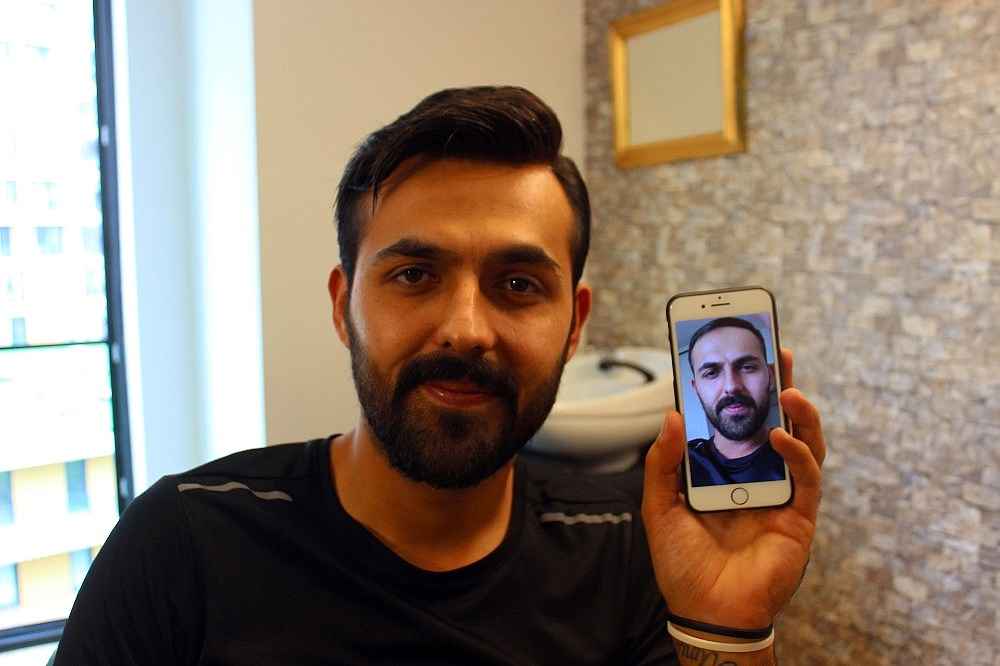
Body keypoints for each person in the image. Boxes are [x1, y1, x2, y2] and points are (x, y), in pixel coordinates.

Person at [54, 86, 826, 665]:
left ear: (574, 326)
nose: (465, 328)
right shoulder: (183, 545)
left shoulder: (628, 549)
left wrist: (727, 627)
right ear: (342, 306)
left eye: (518, 284)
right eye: (415, 275)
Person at [685, 317, 788, 487]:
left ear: (770, 376)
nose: (731, 386)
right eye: (711, 373)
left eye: (747, 367)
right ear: (696, 389)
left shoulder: (793, 456)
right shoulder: (681, 465)